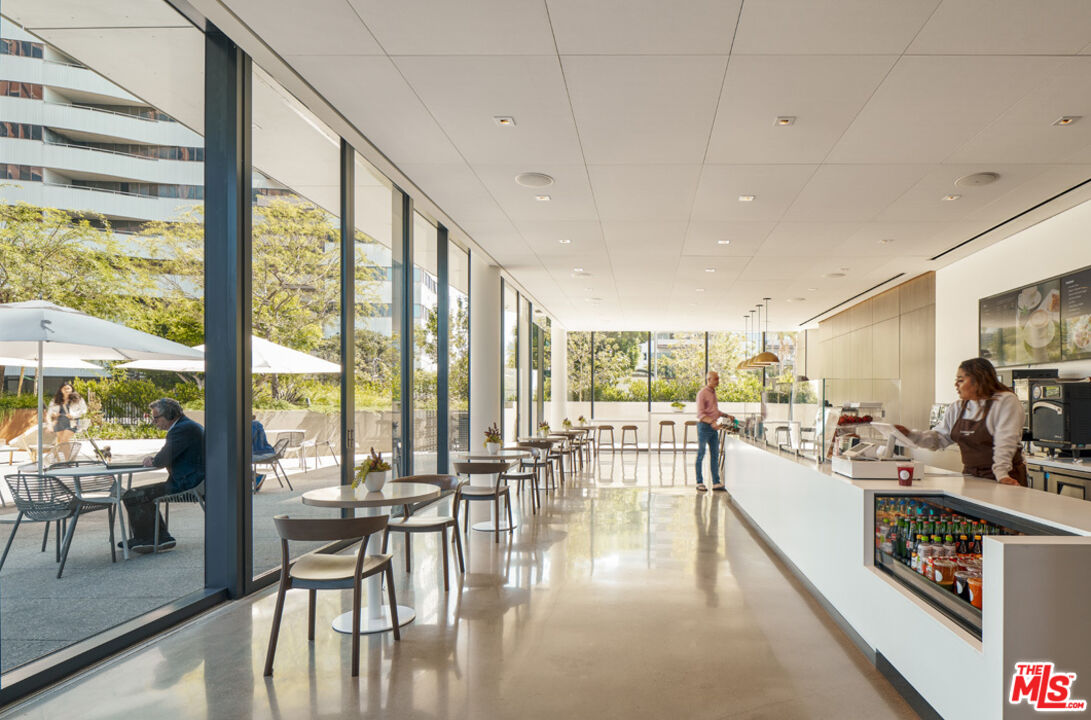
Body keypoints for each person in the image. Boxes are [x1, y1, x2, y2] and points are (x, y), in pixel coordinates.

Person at [896, 357, 1026, 486]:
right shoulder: (958, 407)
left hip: (1005, 476)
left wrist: (1002, 474)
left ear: (978, 380)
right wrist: (911, 435)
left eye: (961, 380)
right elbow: (939, 439)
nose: (956, 385)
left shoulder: (1005, 401)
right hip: (971, 476)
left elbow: (1005, 440)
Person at [121, 398, 204, 553]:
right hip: (195, 480)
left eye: (156, 418)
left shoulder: (181, 429)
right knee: (141, 494)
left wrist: (152, 460)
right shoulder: (187, 426)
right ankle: (159, 537)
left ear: (170, 415)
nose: (154, 422)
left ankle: (147, 539)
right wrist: (156, 459)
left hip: (187, 483)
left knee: (132, 494)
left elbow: (161, 460)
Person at [695, 371, 735, 493]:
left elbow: (714, 411)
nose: (718, 381)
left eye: (718, 378)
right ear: (709, 379)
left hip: (713, 429)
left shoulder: (713, 393)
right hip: (704, 427)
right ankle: (699, 482)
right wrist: (712, 422)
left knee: (715, 455)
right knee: (701, 454)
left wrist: (726, 415)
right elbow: (701, 414)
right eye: (716, 379)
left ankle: (716, 482)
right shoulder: (702, 394)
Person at [251, 416, 275, 492]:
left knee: (238, 460)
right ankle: (256, 477)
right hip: (265, 451)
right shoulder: (254, 424)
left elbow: (247, 439)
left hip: (262, 453)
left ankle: (256, 476)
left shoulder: (254, 424)